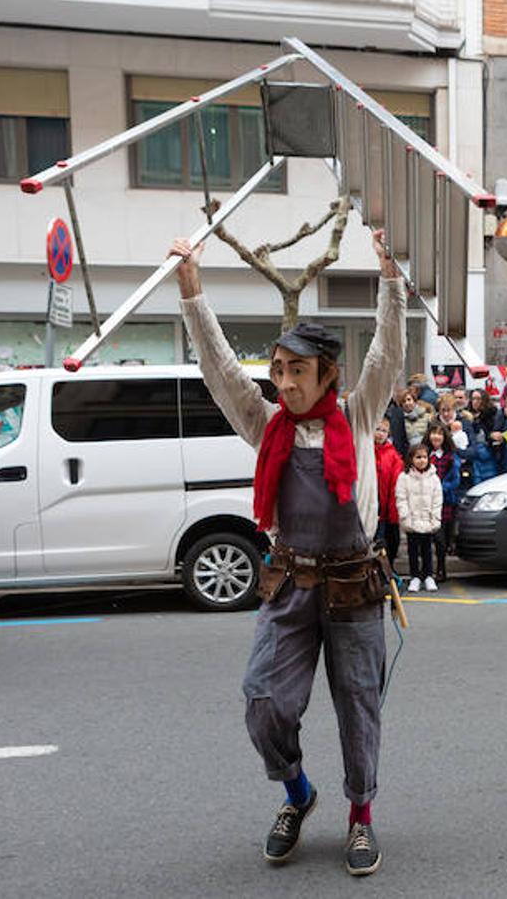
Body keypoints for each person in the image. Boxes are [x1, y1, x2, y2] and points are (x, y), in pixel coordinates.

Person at [169, 228, 401, 876]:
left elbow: (388, 351)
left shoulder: (356, 416)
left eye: (296, 370)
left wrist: (389, 279)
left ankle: (360, 817)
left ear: (328, 374)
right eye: (277, 369)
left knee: (358, 706)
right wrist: (192, 292)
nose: (283, 381)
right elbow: (218, 369)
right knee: (263, 700)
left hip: (354, 585)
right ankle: (298, 794)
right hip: (289, 585)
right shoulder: (264, 423)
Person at [396, 443, 442, 593]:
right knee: (413, 550)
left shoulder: (434, 478)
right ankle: (415, 576)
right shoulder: (404, 477)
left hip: (428, 520)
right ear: (411, 459)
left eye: (424, 457)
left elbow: (437, 499)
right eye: (418, 457)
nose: (422, 460)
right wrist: (405, 516)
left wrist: (435, 518)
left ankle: (428, 575)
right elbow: (401, 498)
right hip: (412, 520)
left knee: (427, 549)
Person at [424, 422, 462, 582]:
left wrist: (441, 488)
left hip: (445, 501)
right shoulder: (424, 454)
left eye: (439, 433)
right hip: (427, 501)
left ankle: (441, 568)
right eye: (433, 433)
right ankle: (428, 571)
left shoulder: (450, 456)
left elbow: (455, 479)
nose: (436, 437)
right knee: (430, 538)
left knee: (442, 540)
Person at [373, 418, 404, 574]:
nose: (380, 434)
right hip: (371, 505)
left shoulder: (393, 456)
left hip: (386, 507)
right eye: (377, 429)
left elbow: (396, 484)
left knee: (389, 542)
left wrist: (393, 512)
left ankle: (387, 573)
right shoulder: (366, 451)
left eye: (383, 431)